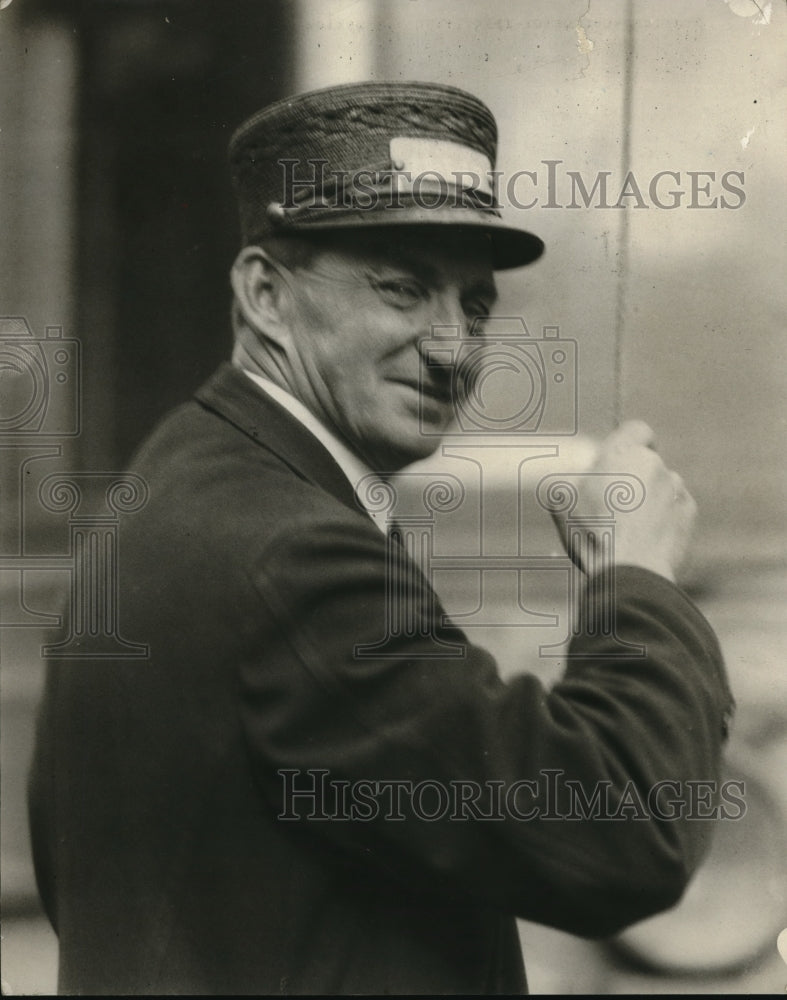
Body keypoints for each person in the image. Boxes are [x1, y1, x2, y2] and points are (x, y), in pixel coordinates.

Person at [28, 81, 733, 995]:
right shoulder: (292, 554)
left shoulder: (183, 483)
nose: (452, 349)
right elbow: (622, 833)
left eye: (473, 307)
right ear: (265, 296)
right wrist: (634, 577)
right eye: (402, 289)